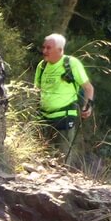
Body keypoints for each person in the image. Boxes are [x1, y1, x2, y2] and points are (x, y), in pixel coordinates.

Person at [34, 34, 95, 163]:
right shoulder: (42, 66)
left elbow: (88, 88)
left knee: (62, 158)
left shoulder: (71, 64)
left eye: (48, 48)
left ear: (60, 50)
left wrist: (88, 106)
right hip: (43, 118)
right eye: (44, 47)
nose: (44, 51)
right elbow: (36, 91)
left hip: (64, 118)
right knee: (42, 157)